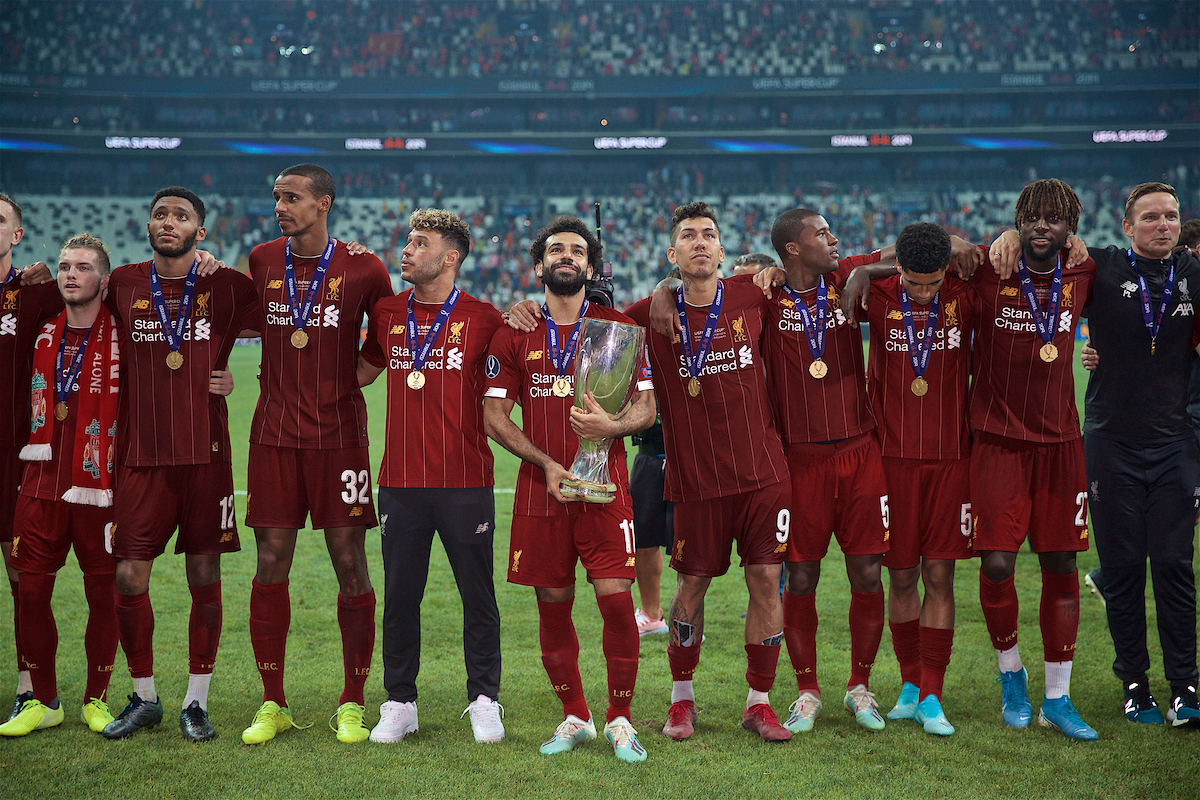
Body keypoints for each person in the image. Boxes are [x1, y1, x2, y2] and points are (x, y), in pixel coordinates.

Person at [484, 216, 655, 762]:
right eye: (555, 250)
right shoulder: (515, 330)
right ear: (539, 266)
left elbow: (647, 409)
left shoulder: (620, 328)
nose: (566, 257)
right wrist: (546, 463)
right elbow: (494, 417)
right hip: (542, 491)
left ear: (590, 266)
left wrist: (614, 428)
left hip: (606, 488)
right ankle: (575, 716)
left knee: (615, 601)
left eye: (577, 251)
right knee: (552, 606)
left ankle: (620, 718)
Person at [629, 202, 794, 743]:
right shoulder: (650, 312)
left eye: (709, 235)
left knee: (767, 578)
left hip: (763, 474)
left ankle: (760, 702)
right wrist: (521, 310)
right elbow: (579, 311)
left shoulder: (754, 296)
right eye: (688, 236)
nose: (700, 242)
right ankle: (681, 701)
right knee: (692, 585)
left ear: (723, 251)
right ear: (672, 254)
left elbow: (819, 269)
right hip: (697, 481)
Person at [242, 163, 393, 745]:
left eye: (293, 198)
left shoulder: (363, 266)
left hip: (340, 438)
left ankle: (353, 701)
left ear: (323, 203)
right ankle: (272, 700)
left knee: (349, 559)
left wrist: (351, 377)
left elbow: (385, 335)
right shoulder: (259, 260)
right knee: (270, 560)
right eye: (277, 197)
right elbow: (233, 316)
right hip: (274, 435)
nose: (281, 206)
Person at [102, 187, 260, 742]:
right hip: (140, 456)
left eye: (182, 215)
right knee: (128, 574)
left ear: (202, 230)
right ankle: (144, 696)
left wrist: (238, 375)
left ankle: (197, 700)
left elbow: (297, 327)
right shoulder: (120, 281)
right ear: (148, 225)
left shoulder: (228, 285)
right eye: (160, 214)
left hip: (206, 455)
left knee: (205, 575)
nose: (168, 222)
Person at [356, 209, 505, 744]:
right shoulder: (387, 311)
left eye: (419, 243)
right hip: (399, 483)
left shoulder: (486, 318)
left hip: (466, 481)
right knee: (400, 596)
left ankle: (485, 699)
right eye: (407, 241)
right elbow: (363, 369)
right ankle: (399, 702)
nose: (406, 250)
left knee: (478, 596)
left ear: (449, 258)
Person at [753, 209, 895, 735]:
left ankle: (860, 686)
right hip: (799, 460)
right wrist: (660, 291)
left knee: (866, 571)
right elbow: (693, 289)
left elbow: (926, 249)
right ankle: (807, 690)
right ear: (793, 248)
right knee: (803, 575)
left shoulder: (846, 276)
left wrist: (866, 273)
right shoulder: (764, 295)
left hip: (860, 454)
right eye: (821, 233)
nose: (834, 240)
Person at [973, 179, 1099, 741]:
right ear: (1018, 221)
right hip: (998, 441)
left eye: (1054, 218)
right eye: (1031, 217)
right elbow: (925, 252)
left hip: (1060, 445)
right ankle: (1010, 677)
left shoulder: (1086, 271)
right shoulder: (988, 266)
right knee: (997, 563)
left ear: (1070, 225)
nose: (1042, 226)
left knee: (1062, 565)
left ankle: (1058, 697)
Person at [1071, 183, 1200, 728]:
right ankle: (1134, 685)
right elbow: (1040, 254)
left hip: (1175, 443)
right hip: (1110, 442)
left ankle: (1187, 686)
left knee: (1174, 565)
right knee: (1122, 569)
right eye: (1150, 217)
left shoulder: (1194, 274)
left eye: (1171, 216)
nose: (1163, 225)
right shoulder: (1099, 267)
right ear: (1127, 227)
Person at [0, 234, 121, 737]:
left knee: (104, 594)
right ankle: (43, 700)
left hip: (101, 489)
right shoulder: (40, 330)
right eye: (66, 266)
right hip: (39, 484)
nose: (72, 274)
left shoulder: (125, 336)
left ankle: (96, 697)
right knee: (29, 593)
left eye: (85, 267)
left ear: (105, 279)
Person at [858, 222, 975, 736]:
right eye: (914, 283)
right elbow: (808, 265)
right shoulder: (876, 288)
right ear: (897, 268)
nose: (925, 293)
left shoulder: (967, 289)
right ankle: (908, 682)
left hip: (952, 458)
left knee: (940, 577)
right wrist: (865, 267)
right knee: (901, 575)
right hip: (890, 460)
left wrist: (963, 243)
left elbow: (1017, 255)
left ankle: (932, 692)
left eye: (934, 283)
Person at [0, 193, 63, 722]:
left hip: (11, 456)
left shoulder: (33, 293)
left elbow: (102, 297)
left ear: (16, 235)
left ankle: (28, 685)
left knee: (20, 573)